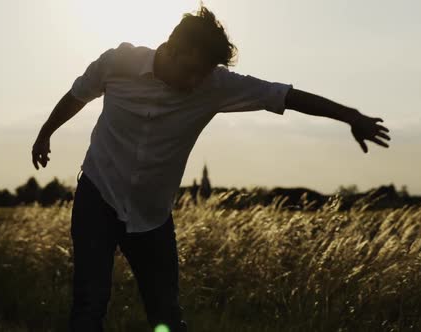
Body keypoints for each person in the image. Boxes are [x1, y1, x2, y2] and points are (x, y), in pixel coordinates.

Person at [32, 6, 390, 332]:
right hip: (98, 195)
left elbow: (285, 96)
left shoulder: (215, 85)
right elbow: (78, 94)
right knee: (89, 307)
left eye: (203, 75)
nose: (194, 83)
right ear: (170, 48)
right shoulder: (117, 62)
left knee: (166, 315)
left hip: (151, 216)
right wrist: (45, 133)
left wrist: (351, 117)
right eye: (190, 70)